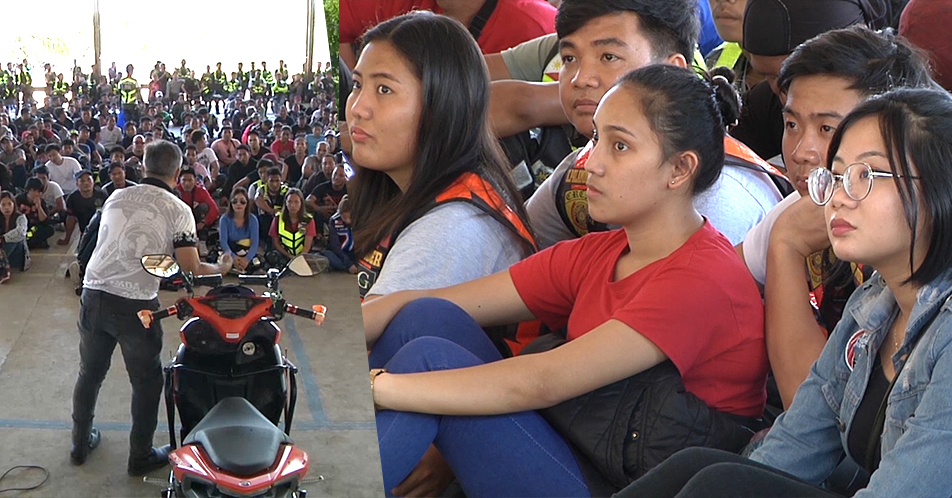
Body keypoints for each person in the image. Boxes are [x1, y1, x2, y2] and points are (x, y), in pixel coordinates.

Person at [364, 64, 768, 498]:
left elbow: (542, 381)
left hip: (622, 487)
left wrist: (377, 387)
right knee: (424, 316)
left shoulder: (703, 278)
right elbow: (432, 304)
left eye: (620, 146)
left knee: (430, 358)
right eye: (595, 139)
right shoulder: (601, 251)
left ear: (679, 169)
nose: (591, 163)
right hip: (574, 448)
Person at [614, 86, 952, 498]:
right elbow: (797, 444)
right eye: (839, 175)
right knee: (701, 465)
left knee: (719, 481)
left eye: (866, 175)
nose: (838, 199)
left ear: (940, 188)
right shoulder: (874, 305)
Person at [737, 26, 936, 409]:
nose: (801, 152)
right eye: (792, 125)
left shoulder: (925, 236)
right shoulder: (809, 204)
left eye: (828, 128)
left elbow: (816, 413)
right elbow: (713, 280)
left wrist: (787, 245)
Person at [523, 0, 782, 249]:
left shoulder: (717, 200)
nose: (581, 79)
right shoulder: (584, 166)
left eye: (609, 56)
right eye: (569, 58)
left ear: (673, 70)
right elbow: (518, 259)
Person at [348, 12, 536, 302]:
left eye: (384, 89)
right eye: (357, 85)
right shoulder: (400, 190)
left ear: (442, 106)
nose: (358, 108)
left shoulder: (451, 228)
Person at [71, 140, 233, 476]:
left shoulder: (116, 196)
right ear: (177, 171)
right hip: (135, 306)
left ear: (142, 167)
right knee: (146, 383)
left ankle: (79, 442)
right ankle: (140, 456)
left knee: (90, 374)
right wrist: (221, 268)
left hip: (92, 293)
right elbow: (190, 270)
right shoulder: (178, 210)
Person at [217, 187, 260, 273]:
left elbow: (255, 243)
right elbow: (223, 242)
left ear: (247, 203)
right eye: (235, 201)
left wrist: (247, 259)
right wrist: (233, 257)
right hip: (229, 250)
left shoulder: (253, 219)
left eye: (242, 201)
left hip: (245, 251)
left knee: (259, 262)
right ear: (231, 203)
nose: (238, 204)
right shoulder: (224, 219)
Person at [268, 188, 315, 267]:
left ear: (301, 203)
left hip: (303, 255)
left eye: (296, 202)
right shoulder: (278, 218)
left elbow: (307, 245)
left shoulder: (309, 220)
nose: (293, 205)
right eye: (290, 202)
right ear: (285, 203)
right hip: (284, 254)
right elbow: (276, 243)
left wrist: (298, 258)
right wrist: (289, 256)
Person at [59, 170, 106, 246]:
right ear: (77, 184)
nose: (86, 183)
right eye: (82, 181)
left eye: (89, 180)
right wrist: (67, 239)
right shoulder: (72, 198)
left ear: (93, 182)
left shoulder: (102, 195)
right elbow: (71, 219)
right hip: (85, 232)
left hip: (102, 231)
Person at [322, 195, 356, 273]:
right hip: (341, 255)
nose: (347, 221)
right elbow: (335, 245)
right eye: (344, 218)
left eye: (350, 217)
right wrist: (349, 264)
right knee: (327, 255)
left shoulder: (361, 219)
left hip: (355, 254)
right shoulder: (334, 221)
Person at [0, 190, 29, 284]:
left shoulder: (21, 217)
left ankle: (3, 268)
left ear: (14, 204)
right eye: (3, 205)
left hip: (17, 256)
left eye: (9, 204)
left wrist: (3, 238)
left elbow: (20, 232)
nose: (7, 208)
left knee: (14, 239)